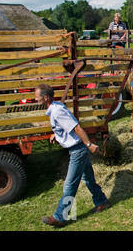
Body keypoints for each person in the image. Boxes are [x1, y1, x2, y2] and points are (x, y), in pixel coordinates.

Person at [35, 84, 110, 227]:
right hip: (77, 149)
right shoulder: (54, 109)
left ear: (45, 98)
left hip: (78, 150)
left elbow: (76, 127)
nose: (35, 99)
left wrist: (89, 145)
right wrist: (56, 135)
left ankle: (60, 217)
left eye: (37, 97)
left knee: (70, 185)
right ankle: (102, 201)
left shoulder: (57, 111)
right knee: (88, 179)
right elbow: (64, 127)